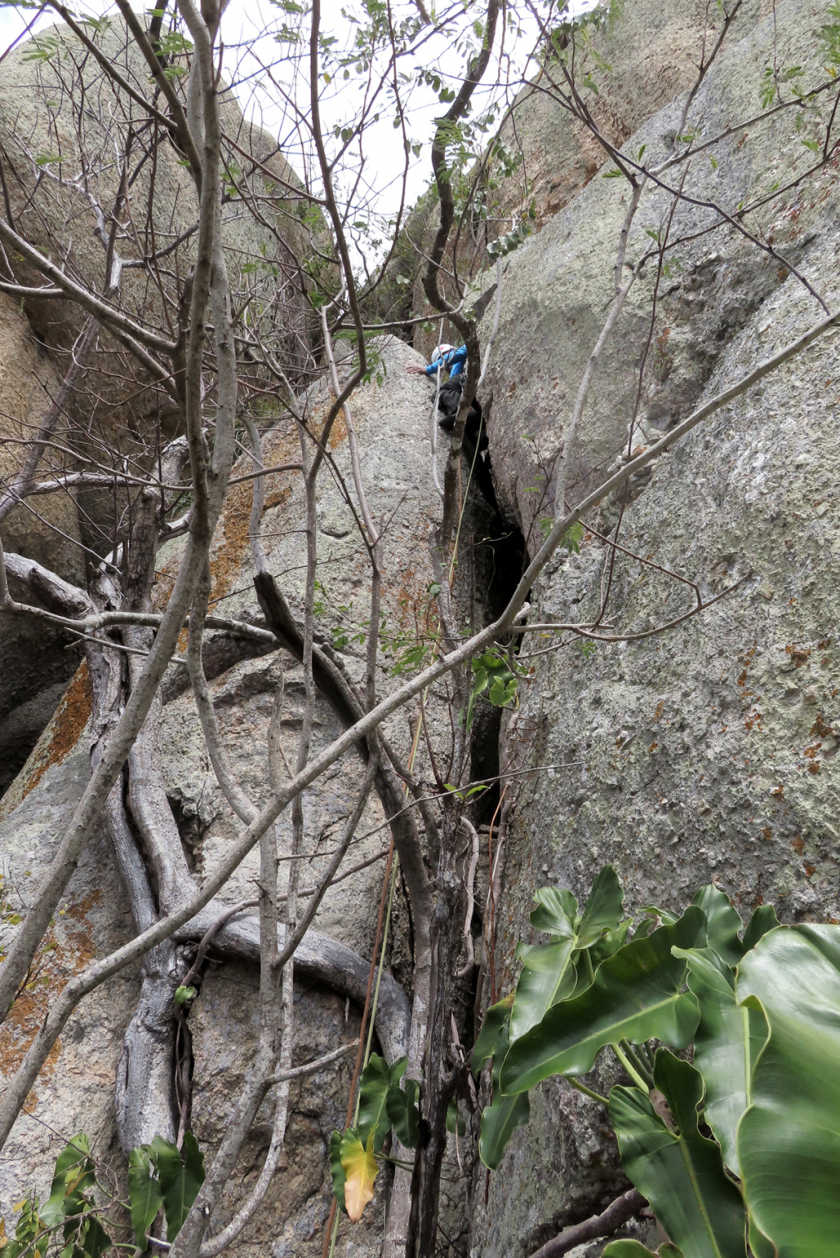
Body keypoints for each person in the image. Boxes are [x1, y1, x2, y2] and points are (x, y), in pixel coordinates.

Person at [406, 342, 469, 431]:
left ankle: (465, 407)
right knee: (445, 423)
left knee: (438, 394)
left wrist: (429, 369)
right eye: (444, 366)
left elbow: (456, 355)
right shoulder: (452, 378)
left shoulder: (464, 352)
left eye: (445, 356)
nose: (446, 366)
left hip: (468, 387)